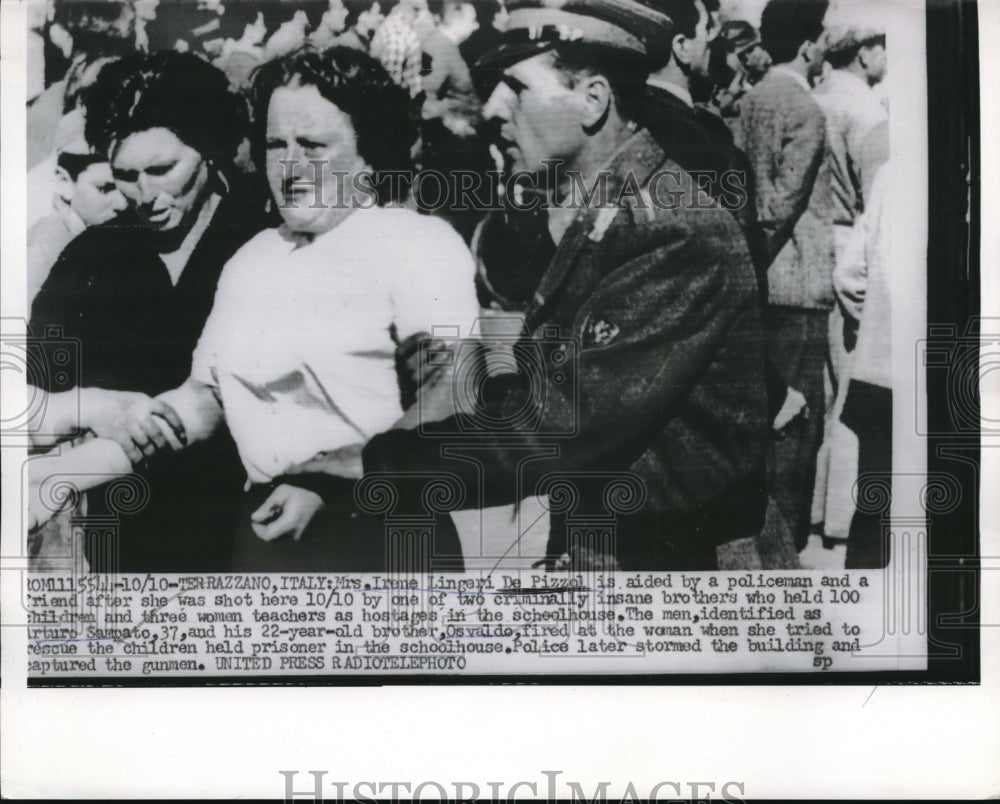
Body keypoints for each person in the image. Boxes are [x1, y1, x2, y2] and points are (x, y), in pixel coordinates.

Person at [31, 46, 482, 574]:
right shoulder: (254, 257)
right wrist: (65, 476)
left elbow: (452, 391)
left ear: (368, 151)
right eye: (274, 144)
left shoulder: (418, 242)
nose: (289, 167)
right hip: (265, 539)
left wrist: (326, 477)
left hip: (383, 536)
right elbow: (206, 399)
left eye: (312, 145)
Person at [362, 0, 770, 571]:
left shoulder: (669, 232)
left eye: (516, 87)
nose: (494, 110)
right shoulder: (612, 209)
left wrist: (379, 465)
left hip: (679, 558)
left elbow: (561, 425)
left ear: (593, 101)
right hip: (618, 542)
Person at [29, 51, 267, 572]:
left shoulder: (263, 238)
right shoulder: (92, 256)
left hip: (248, 532)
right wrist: (91, 408)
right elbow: (35, 381)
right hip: (127, 538)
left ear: (209, 150)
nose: (147, 195)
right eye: (125, 176)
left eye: (164, 170)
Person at [738, 0, 834, 554]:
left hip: (758, 289)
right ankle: (785, 549)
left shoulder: (749, 100)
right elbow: (779, 205)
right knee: (797, 429)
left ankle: (756, 538)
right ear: (808, 45)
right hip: (795, 286)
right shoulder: (805, 107)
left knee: (762, 419)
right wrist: (758, 255)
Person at [808, 6, 889, 556]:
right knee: (849, 392)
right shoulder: (868, 110)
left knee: (817, 390)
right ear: (865, 51)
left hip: (808, 248)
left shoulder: (814, 97)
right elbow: (877, 199)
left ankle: (812, 510)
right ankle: (839, 519)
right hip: (850, 248)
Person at [27, 142, 127, 309]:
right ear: (64, 182)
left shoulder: (90, 236)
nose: (122, 204)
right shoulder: (45, 249)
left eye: (125, 190)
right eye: (104, 189)